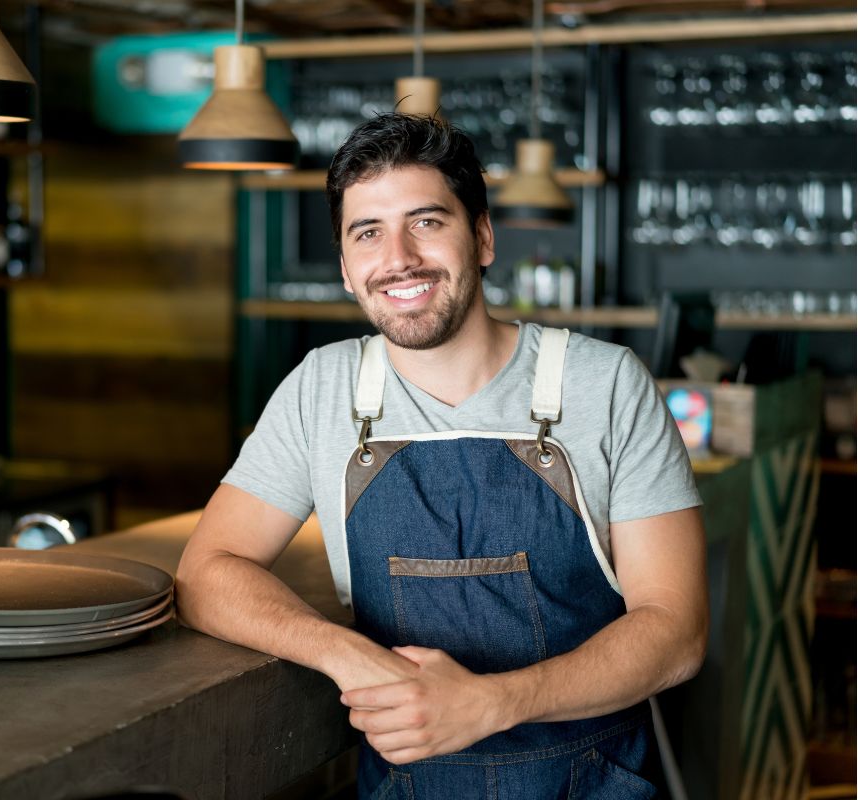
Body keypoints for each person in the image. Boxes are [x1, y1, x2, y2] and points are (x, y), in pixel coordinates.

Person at [176, 113, 708, 798]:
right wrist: (352, 660)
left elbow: (676, 630)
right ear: (344, 267)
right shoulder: (323, 388)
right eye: (368, 233)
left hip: (592, 780)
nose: (398, 257)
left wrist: (492, 703)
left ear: (482, 237)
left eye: (427, 222)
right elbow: (206, 572)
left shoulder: (602, 383)